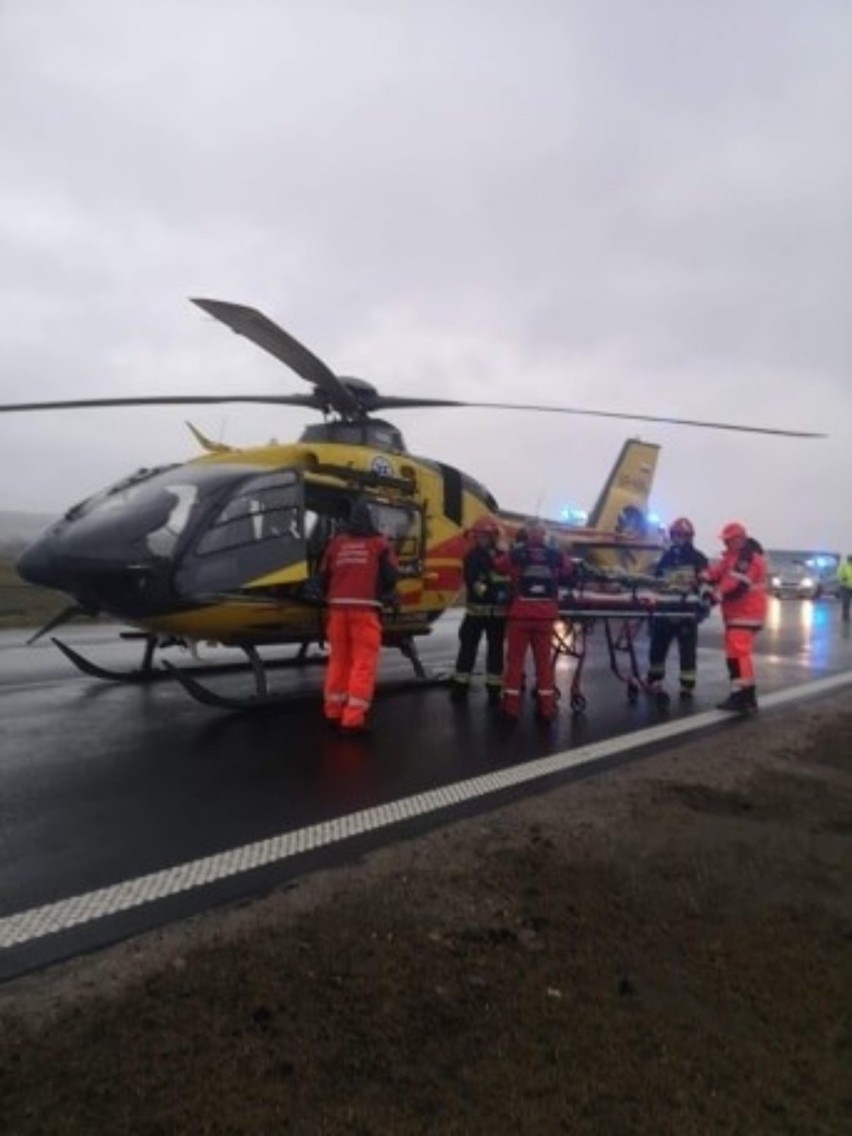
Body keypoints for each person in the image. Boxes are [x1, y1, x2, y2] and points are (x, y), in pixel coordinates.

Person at [318, 497, 399, 734]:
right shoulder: (379, 544)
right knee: (362, 664)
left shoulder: (337, 543)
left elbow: (323, 576)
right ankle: (352, 719)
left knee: (338, 661)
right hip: (364, 611)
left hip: (337, 610)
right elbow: (391, 577)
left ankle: (333, 710)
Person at [499, 520, 574, 722]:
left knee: (515, 663)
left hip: (520, 616)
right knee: (543, 664)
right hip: (545, 617)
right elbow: (568, 569)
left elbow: (499, 566)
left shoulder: (517, 554)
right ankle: (547, 709)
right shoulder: (554, 556)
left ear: (526, 535)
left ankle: (511, 709)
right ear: (544, 536)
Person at [703, 521, 767, 712]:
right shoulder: (733, 557)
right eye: (725, 541)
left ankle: (742, 695)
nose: (726, 544)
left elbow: (736, 582)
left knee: (739, 655)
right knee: (735, 655)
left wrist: (717, 594)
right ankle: (745, 696)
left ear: (739, 539)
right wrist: (703, 575)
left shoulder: (748, 559)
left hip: (746, 614)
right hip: (737, 615)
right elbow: (720, 572)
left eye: (729, 540)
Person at [450, 515, 510, 705]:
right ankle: (460, 686)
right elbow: (475, 584)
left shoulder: (503, 556)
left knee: (496, 652)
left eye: (484, 536)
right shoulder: (472, 556)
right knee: (467, 649)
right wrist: (496, 593)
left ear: (493, 536)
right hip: (476, 613)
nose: (480, 539)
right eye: (478, 536)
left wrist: (505, 593)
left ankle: (494, 688)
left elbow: (508, 580)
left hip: (497, 615)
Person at [646, 517, 709, 700]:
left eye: (683, 535)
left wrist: (703, 603)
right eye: (677, 535)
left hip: (686, 612)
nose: (679, 538)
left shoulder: (698, 558)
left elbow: (706, 582)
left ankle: (687, 685)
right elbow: (654, 582)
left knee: (687, 651)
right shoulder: (665, 557)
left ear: (690, 537)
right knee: (657, 648)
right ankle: (655, 680)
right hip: (664, 609)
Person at [836, 554, 852, 623]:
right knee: (846, 602)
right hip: (845, 587)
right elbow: (839, 574)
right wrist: (843, 579)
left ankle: (846, 616)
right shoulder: (844, 566)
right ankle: (845, 617)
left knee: (846, 602)